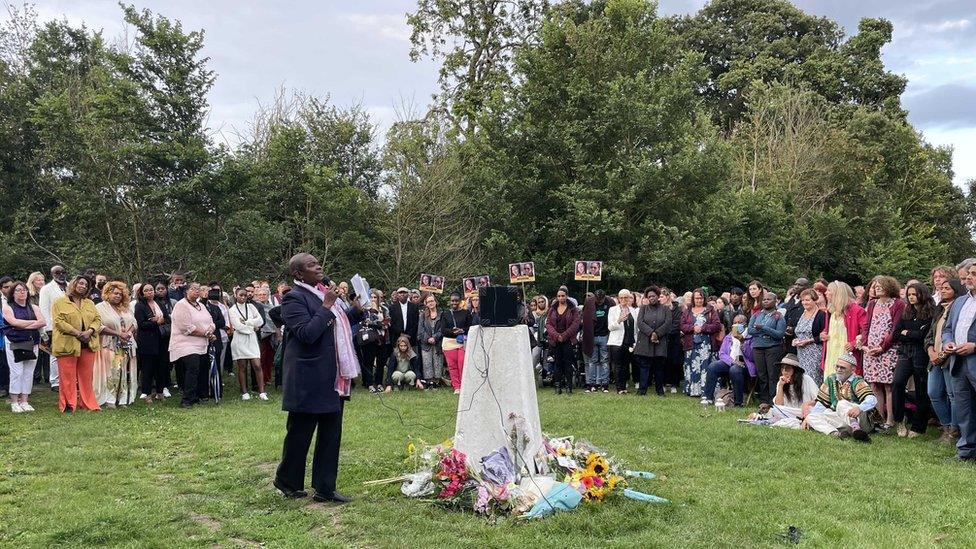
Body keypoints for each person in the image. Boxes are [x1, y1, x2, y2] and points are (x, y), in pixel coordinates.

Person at [275, 253, 364, 503]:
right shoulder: (294, 298)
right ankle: (287, 481)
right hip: (309, 377)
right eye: (312, 265)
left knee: (331, 433)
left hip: (334, 375)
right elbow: (307, 333)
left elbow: (338, 323)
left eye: (318, 262)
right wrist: (326, 305)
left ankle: (325, 488)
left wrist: (355, 312)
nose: (319, 266)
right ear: (298, 274)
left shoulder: (324, 293)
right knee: (300, 433)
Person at [51, 276, 102, 413]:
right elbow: (59, 322)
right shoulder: (59, 302)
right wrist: (77, 333)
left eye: (86, 285)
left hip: (87, 344)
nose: (83, 286)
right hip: (67, 344)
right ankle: (69, 405)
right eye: (80, 283)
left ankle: (88, 403)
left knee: (86, 377)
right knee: (67, 377)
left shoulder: (89, 303)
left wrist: (90, 331)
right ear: (73, 284)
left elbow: (97, 319)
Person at [941, 265, 976, 461]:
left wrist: (974, 346)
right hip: (958, 363)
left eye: (973, 275)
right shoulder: (960, 301)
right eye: (969, 274)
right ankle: (966, 451)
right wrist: (948, 342)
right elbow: (947, 329)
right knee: (965, 409)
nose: (968, 278)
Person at [891, 282, 935, 438]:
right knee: (897, 383)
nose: (911, 297)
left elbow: (923, 336)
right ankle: (899, 420)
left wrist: (906, 333)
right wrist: (912, 333)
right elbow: (895, 334)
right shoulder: (906, 312)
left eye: (914, 294)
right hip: (905, 353)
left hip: (921, 354)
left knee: (921, 388)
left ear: (922, 294)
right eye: (909, 294)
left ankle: (918, 425)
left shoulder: (930, 313)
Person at [862, 275, 904, 429]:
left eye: (880, 285)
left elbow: (895, 328)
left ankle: (890, 420)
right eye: (876, 285)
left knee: (888, 386)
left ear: (889, 287)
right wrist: (865, 345)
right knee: (874, 385)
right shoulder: (872, 303)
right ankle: (879, 418)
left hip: (888, 350)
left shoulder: (898, 304)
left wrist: (883, 347)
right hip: (871, 350)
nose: (877, 287)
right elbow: (866, 325)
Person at [926, 278, 965, 444]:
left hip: (951, 358)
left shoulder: (959, 309)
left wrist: (944, 354)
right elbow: (929, 336)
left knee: (952, 395)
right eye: (941, 288)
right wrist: (931, 351)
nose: (942, 291)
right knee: (933, 393)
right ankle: (947, 425)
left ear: (956, 290)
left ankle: (954, 431)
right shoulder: (939, 310)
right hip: (935, 359)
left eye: (947, 288)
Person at [803, 353, 875, 442]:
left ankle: (856, 428)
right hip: (843, 421)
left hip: (862, 421)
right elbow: (821, 403)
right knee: (811, 416)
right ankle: (836, 434)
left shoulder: (857, 380)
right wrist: (808, 419)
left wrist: (859, 408)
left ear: (853, 369)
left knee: (841, 403)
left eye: (842, 368)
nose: (838, 369)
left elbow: (872, 399)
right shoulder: (830, 379)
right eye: (837, 366)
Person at [169, 282, 216, 408]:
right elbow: (186, 328)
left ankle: (197, 396)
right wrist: (206, 333)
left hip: (201, 344)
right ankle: (186, 400)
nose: (197, 291)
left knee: (201, 369)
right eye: (194, 289)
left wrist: (211, 331)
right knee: (192, 369)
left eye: (198, 289)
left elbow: (211, 321)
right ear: (187, 291)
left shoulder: (201, 305)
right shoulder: (181, 305)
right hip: (186, 344)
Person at [93, 281, 138, 408]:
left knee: (124, 370)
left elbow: (134, 323)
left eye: (120, 294)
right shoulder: (100, 307)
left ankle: (122, 398)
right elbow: (98, 326)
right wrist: (118, 333)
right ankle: (109, 399)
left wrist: (127, 333)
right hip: (109, 344)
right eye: (115, 293)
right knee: (112, 371)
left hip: (126, 344)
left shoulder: (126, 307)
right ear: (107, 293)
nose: (118, 296)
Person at [3, 282, 45, 412]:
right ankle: (14, 401)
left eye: (24, 290)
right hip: (14, 342)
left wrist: (23, 324)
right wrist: (33, 323)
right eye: (18, 290)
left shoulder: (34, 307)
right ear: (13, 293)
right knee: (17, 372)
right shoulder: (7, 307)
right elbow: (13, 322)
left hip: (32, 342)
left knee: (28, 372)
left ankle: (25, 400)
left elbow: (43, 322)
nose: (22, 292)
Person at [821, 281, 867, 380]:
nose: (826, 293)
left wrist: (854, 343)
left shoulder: (857, 311)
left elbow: (866, 331)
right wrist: (823, 334)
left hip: (846, 353)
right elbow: (829, 329)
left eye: (829, 290)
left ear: (838, 293)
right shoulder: (830, 311)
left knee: (846, 385)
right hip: (831, 353)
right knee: (831, 382)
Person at [748, 291, 786, 405]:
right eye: (764, 299)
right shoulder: (756, 315)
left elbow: (779, 334)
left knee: (772, 375)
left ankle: (773, 400)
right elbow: (750, 330)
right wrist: (766, 332)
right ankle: (763, 400)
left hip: (773, 348)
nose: (765, 301)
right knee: (761, 375)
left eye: (769, 299)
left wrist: (764, 328)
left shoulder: (778, 316)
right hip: (758, 348)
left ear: (775, 301)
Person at [681, 288, 721, 398]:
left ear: (704, 298)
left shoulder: (710, 310)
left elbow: (717, 325)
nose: (698, 300)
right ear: (693, 299)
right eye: (696, 298)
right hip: (691, 343)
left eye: (701, 298)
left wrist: (703, 328)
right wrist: (693, 328)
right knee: (693, 366)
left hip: (706, 344)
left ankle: (706, 390)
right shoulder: (687, 310)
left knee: (705, 366)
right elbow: (682, 325)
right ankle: (693, 390)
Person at [230, 287, 268, 401]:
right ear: (236, 296)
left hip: (252, 339)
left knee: (257, 365)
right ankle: (244, 392)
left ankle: (262, 392)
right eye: (240, 295)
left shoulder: (251, 307)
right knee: (242, 366)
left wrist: (247, 322)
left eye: (245, 295)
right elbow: (238, 326)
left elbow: (260, 321)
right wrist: (252, 326)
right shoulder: (232, 310)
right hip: (240, 339)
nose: (243, 297)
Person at [702, 314, 748, 406]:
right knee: (712, 366)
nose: (737, 325)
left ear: (745, 324)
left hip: (745, 364)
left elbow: (751, 355)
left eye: (740, 323)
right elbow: (722, 353)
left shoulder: (750, 336)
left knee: (734, 370)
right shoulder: (729, 336)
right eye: (735, 323)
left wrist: (742, 341)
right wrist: (732, 361)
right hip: (731, 362)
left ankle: (738, 402)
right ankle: (708, 398)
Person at [633, 286, 672, 396]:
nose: (651, 298)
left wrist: (657, 334)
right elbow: (640, 323)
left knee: (659, 368)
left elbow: (668, 323)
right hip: (645, 341)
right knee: (644, 367)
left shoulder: (666, 309)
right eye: (649, 296)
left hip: (660, 342)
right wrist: (651, 333)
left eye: (653, 296)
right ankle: (642, 390)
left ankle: (659, 391)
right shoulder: (643, 309)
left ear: (658, 296)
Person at [134, 281, 168, 401]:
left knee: (161, 366)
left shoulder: (159, 303)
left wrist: (162, 319)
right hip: (147, 341)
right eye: (146, 290)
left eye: (151, 290)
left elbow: (166, 317)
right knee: (147, 368)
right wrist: (155, 322)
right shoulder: (139, 306)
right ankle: (146, 393)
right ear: (142, 293)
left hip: (161, 339)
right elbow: (141, 324)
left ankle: (160, 392)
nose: (149, 292)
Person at [545, 286, 580, 395]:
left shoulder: (573, 309)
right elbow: (548, 324)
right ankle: (557, 386)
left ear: (567, 296)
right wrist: (556, 336)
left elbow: (575, 324)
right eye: (559, 296)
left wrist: (564, 336)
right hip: (555, 340)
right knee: (557, 364)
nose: (561, 298)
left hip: (568, 339)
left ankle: (569, 387)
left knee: (568, 364)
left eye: (563, 296)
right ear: (557, 297)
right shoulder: (552, 309)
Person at [39, 265, 67, 391]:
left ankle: (68, 379)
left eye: (62, 272)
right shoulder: (46, 289)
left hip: (71, 325)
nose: (60, 274)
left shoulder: (70, 285)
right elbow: (44, 309)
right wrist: (47, 329)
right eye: (57, 272)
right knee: (55, 354)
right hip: (54, 326)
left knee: (70, 353)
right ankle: (55, 381)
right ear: (52, 274)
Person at [769, 353, 819, 426]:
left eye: (787, 368)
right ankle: (796, 421)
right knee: (775, 409)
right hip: (789, 412)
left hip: (805, 411)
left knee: (816, 411)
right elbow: (778, 404)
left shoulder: (806, 379)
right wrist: (780, 386)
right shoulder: (781, 382)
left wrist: (807, 404)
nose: (784, 371)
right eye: (782, 368)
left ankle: (801, 420)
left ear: (795, 370)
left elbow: (818, 399)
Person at [792, 289, 826, 386]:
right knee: (802, 379)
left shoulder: (821, 315)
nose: (804, 302)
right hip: (801, 353)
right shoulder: (802, 314)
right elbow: (798, 332)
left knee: (813, 378)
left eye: (807, 300)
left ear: (814, 300)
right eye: (802, 300)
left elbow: (823, 336)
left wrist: (808, 341)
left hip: (815, 353)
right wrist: (795, 340)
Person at [608, 289, 638, 394]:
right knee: (617, 366)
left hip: (629, 342)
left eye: (626, 297)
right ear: (618, 298)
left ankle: (624, 387)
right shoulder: (613, 310)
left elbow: (635, 328)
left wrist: (635, 342)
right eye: (621, 298)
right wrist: (619, 320)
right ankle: (619, 388)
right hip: (616, 342)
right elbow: (610, 327)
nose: (624, 300)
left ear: (629, 298)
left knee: (626, 366)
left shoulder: (633, 310)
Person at [442, 292, 472, 394]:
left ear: (460, 301)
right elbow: (443, 330)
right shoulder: (445, 314)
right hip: (449, 343)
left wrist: (462, 330)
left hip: (462, 341)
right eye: (452, 300)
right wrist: (453, 331)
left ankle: (464, 385)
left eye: (456, 300)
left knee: (462, 363)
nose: (454, 302)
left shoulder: (466, 313)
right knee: (452, 366)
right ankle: (457, 386)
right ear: (450, 301)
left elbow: (470, 327)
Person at [585, 289, 612, 393]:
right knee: (592, 361)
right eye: (597, 299)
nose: (599, 301)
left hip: (604, 335)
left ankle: (605, 384)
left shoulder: (609, 303)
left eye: (601, 299)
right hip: (593, 336)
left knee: (605, 361)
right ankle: (592, 384)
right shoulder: (590, 303)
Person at [419, 294, 445, 391]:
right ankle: (429, 382)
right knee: (427, 362)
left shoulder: (442, 314)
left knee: (438, 362)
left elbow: (443, 328)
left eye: (432, 301)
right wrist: (428, 338)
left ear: (435, 302)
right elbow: (420, 330)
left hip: (437, 342)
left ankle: (437, 382)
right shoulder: (422, 315)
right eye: (428, 301)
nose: (431, 303)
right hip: (426, 343)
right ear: (426, 304)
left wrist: (435, 337)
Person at [153, 281, 174, 398]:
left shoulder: (169, 303)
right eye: (158, 289)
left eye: (162, 288)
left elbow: (167, 319)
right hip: (153, 336)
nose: (160, 291)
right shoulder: (151, 303)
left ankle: (165, 385)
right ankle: (155, 386)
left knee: (165, 362)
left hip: (166, 335)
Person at [659, 289, 683, 394]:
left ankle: (674, 384)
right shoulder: (658, 309)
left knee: (674, 362)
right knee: (663, 362)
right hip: (662, 339)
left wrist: (665, 332)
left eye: (662, 297)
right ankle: (663, 383)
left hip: (674, 339)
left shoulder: (676, 309)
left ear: (667, 297)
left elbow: (677, 324)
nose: (659, 299)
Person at [389, 287, 420, 352]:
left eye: (404, 292)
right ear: (397, 295)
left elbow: (416, 322)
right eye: (400, 293)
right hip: (397, 338)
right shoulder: (392, 308)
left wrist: (409, 335)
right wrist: (401, 334)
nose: (402, 294)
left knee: (412, 359)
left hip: (411, 338)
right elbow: (391, 323)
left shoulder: (414, 307)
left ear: (408, 294)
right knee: (399, 360)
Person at [783, 278, 810, 352]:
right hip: (787, 338)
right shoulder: (791, 299)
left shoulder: (809, 302)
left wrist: (794, 329)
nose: (796, 286)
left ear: (806, 287)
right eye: (795, 284)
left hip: (801, 339)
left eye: (800, 285)